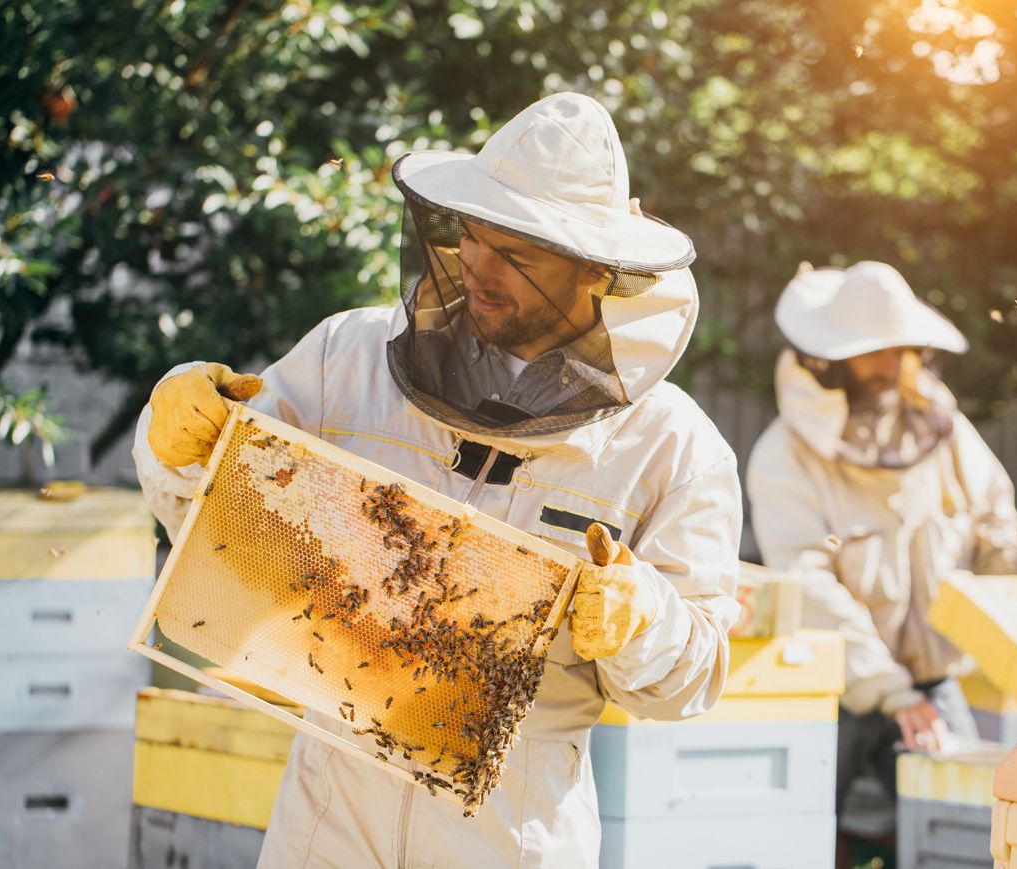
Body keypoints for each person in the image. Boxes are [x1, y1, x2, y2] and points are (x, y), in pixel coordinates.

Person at [133, 93, 741, 868]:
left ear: (596, 269)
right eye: (471, 235)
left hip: (513, 831)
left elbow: (694, 680)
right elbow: (211, 517)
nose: (477, 266)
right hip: (329, 807)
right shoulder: (345, 359)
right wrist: (175, 442)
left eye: (516, 253)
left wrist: (643, 618)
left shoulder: (671, 444)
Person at [745, 261, 1017, 811]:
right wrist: (889, 691)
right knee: (804, 838)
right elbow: (810, 586)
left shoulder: (945, 431)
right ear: (827, 360)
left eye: (901, 350)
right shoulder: (783, 457)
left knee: (964, 827)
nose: (892, 367)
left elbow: (990, 533)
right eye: (874, 351)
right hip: (832, 693)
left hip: (932, 685)